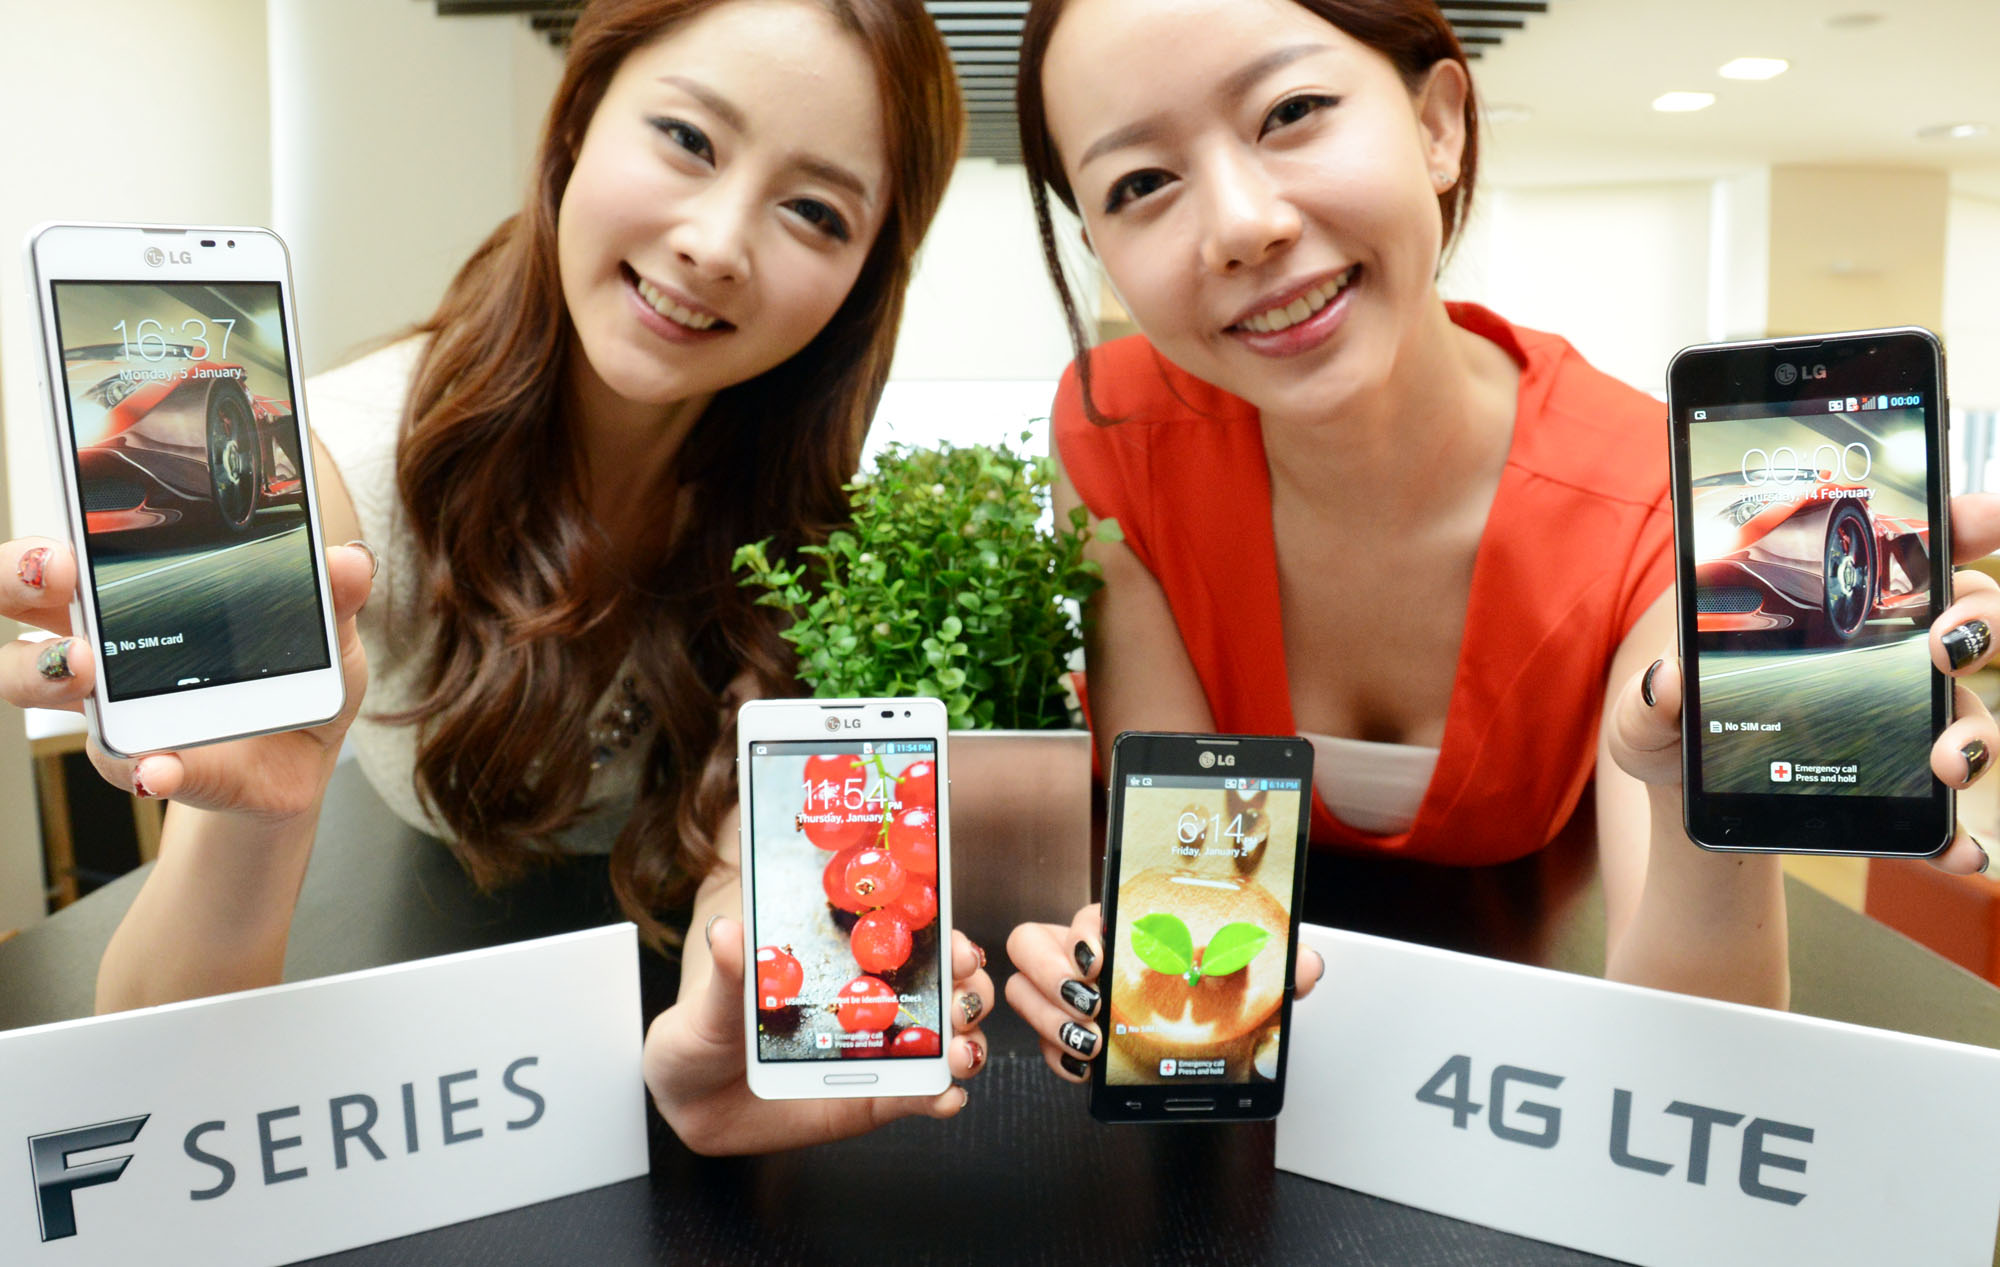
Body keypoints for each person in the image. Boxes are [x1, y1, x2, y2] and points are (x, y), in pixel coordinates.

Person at [0, 0, 993, 1155]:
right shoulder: (340, 482)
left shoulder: (810, 510)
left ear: (866, 276)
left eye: (815, 209)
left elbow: (752, 830)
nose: (718, 242)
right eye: (688, 138)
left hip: (627, 1072)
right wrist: (265, 816)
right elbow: (162, 1080)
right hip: (424, 1067)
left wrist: (739, 1007)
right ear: (575, 122)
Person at [1001, 0, 2000, 1082]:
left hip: (1505, 1070)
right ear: (1098, 244)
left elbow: (1693, 1060)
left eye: (1289, 110)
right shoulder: (1111, 431)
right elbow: (1192, 882)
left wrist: (1692, 786)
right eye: (1139, 183)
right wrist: (1116, 977)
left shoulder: (1647, 497)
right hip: (1281, 1098)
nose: (1241, 223)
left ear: (1438, 124)